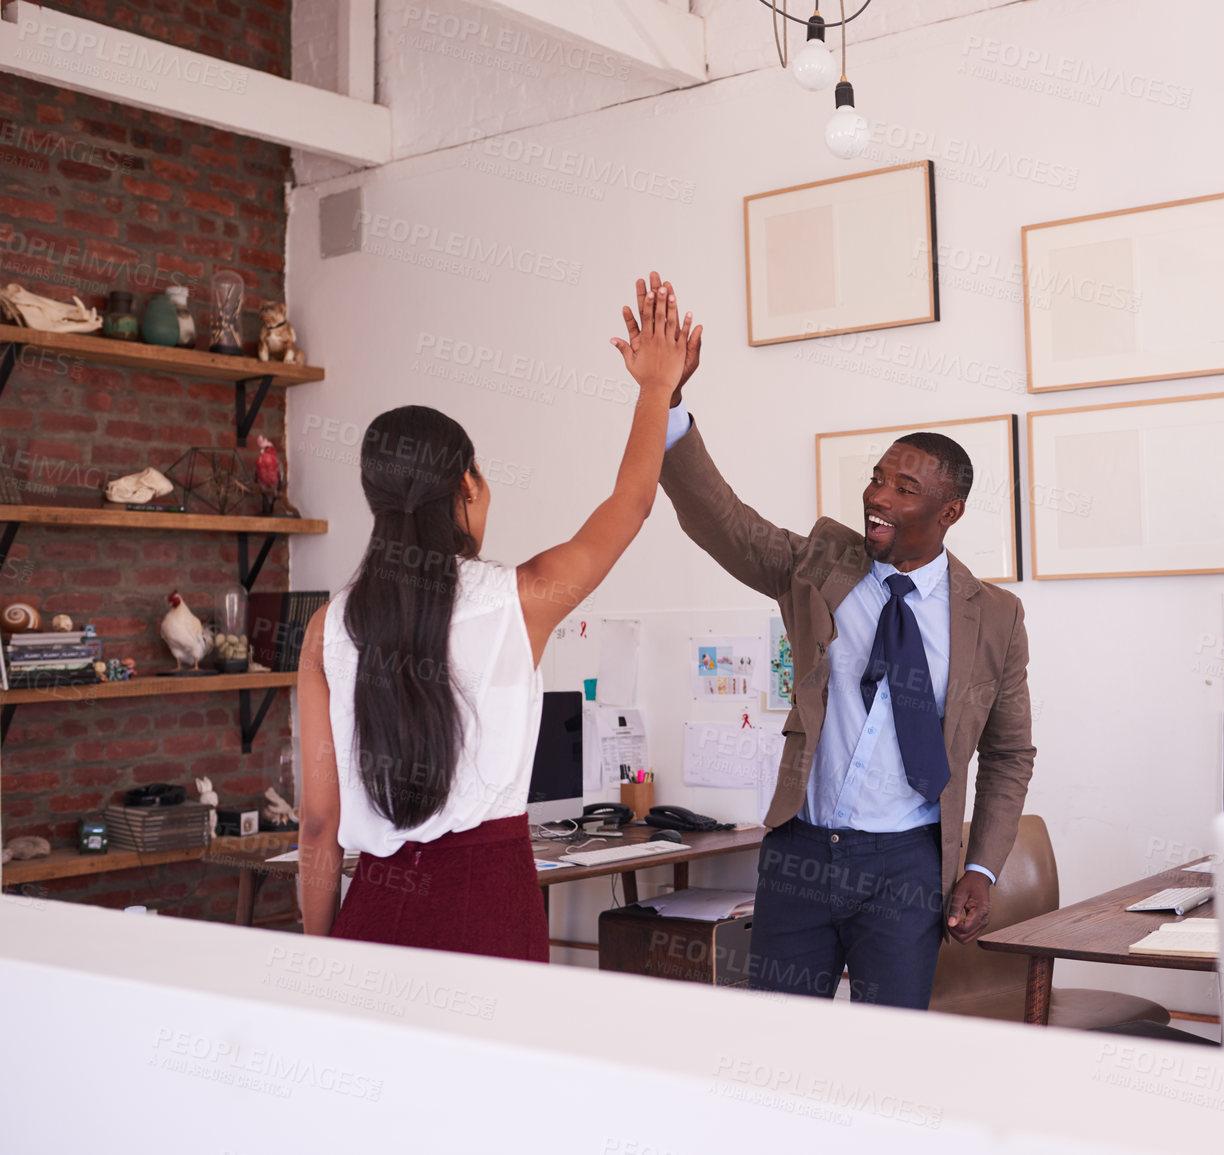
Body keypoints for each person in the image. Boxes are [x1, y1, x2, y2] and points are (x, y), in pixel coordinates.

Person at [612, 272, 1036, 1009]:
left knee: (885, 1052)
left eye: (905, 487)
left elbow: (1008, 753)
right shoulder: (821, 564)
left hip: (906, 864)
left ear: (949, 510)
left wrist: (983, 868)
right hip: (801, 852)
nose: (878, 495)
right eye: (876, 478)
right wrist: (668, 403)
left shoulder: (993, 615)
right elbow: (725, 522)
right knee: (779, 1042)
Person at [295, 282, 690, 959]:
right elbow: (631, 503)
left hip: (376, 912)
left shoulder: (328, 627)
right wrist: (657, 385)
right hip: (490, 911)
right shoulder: (523, 597)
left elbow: (317, 826)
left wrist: (323, 955)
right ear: (468, 487)